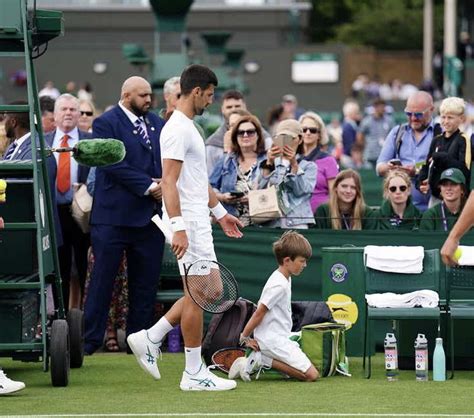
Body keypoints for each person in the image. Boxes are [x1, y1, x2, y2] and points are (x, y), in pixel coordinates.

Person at [127, 65, 243, 391]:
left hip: (197, 220)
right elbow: (169, 181)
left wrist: (220, 213)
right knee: (199, 295)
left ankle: (151, 337)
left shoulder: (189, 127)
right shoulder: (177, 128)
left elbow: (196, 181)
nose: (210, 101)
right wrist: (178, 227)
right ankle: (193, 372)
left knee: (210, 291)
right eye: (208, 95)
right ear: (196, 92)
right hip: (188, 223)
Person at [83, 76, 165, 355]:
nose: (148, 100)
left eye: (149, 95)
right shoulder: (106, 123)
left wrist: (164, 182)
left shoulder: (156, 123)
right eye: (142, 95)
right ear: (126, 94)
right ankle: (89, 340)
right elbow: (111, 163)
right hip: (113, 219)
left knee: (145, 284)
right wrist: (149, 186)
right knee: (102, 282)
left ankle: (138, 341)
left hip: (148, 219)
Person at [228, 230, 318, 382]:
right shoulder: (279, 284)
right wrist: (244, 337)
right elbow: (259, 312)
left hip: (279, 336)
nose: (305, 265)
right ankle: (262, 360)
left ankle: (263, 358)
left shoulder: (285, 277)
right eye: (302, 261)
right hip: (272, 340)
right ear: (287, 260)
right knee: (312, 375)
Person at [44, 94, 91, 311]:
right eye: (63, 109)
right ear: (54, 115)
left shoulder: (89, 141)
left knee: (83, 266)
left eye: (73, 109)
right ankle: (60, 315)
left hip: (81, 213)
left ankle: (83, 317)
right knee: (59, 266)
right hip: (54, 213)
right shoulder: (44, 142)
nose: (69, 113)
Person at [376, 91, 438, 212]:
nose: (413, 118)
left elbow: (446, 169)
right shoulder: (397, 132)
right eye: (409, 113)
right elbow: (379, 168)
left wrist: (418, 171)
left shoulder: (440, 133)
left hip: (432, 209)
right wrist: (392, 168)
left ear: (431, 110)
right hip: (400, 210)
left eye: (419, 114)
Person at [257, 119, 317, 229]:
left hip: (298, 223)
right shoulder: (267, 162)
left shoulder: (309, 166)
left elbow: (301, 191)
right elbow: (258, 190)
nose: (285, 141)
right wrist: (269, 163)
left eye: (291, 138)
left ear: (300, 140)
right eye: (281, 137)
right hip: (271, 222)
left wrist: (294, 165)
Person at [210, 113, 266, 226]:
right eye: (240, 132)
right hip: (230, 223)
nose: (245, 135)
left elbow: (277, 190)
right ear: (235, 137)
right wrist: (223, 197)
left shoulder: (268, 160)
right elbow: (210, 187)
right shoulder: (226, 160)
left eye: (250, 132)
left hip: (261, 225)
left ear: (258, 135)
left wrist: (255, 198)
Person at [418, 97, 471, 208]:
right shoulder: (436, 140)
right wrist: (421, 180)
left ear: (461, 118)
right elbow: (427, 164)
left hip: (456, 199)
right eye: (443, 117)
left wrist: (442, 157)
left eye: (450, 118)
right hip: (436, 196)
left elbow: (464, 170)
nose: (446, 121)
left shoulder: (463, 139)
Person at [205, 90, 272, 176]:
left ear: (245, 107)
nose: (233, 110)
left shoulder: (265, 139)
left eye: (237, 106)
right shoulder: (213, 144)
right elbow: (210, 179)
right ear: (222, 110)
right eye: (229, 107)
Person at [298, 111, 339, 213]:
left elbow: (334, 195)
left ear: (319, 135)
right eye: (304, 129)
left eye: (312, 130)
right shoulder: (293, 159)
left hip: (321, 217)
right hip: (296, 217)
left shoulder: (329, 160)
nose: (307, 133)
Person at [357, 98, 395, 167]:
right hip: (370, 155)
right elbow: (360, 135)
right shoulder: (367, 121)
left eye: (383, 107)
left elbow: (394, 135)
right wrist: (364, 147)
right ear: (375, 107)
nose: (382, 109)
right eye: (380, 107)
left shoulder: (389, 120)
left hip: (385, 155)